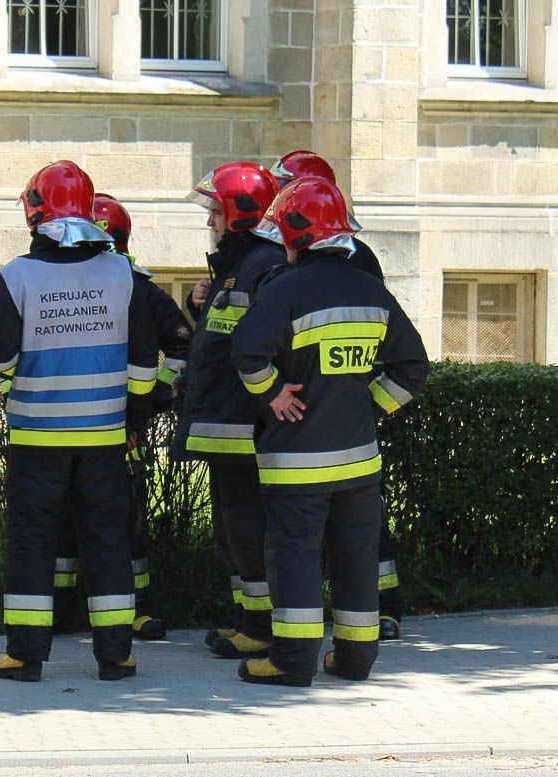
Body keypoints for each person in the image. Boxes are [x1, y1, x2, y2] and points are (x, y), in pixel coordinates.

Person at [230, 177, 429, 686]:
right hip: (359, 461)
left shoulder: (285, 289)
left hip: (297, 462)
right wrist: (368, 408)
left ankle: (292, 662)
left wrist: (272, 392)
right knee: (356, 557)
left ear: (296, 234)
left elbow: (246, 351)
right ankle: (356, 659)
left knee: (294, 556)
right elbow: (413, 368)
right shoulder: (371, 289)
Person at [0, 160, 158, 682]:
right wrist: (131, 413)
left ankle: (25, 656)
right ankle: (116, 654)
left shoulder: (19, 276)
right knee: (107, 540)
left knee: (33, 540)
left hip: (37, 434)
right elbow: (145, 363)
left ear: (35, 213)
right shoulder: (123, 274)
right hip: (104, 435)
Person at [271, 149, 404, 640]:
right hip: (346, 427)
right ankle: (360, 632)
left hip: (328, 424)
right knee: (354, 531)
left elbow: (374, 334)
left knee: (359, 534)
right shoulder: (326, 257)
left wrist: (369, 404)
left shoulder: (350, 260)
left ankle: (384, 609)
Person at [50, 193, 191, 641]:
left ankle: (135, 610)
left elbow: (183, 347)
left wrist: (153, 400)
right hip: (67, 425)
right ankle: (60, 610)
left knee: (125, 523)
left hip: (124, 430)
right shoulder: (58, 282)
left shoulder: (139, 289)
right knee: (62, 523)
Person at [173, 162, 286, 660]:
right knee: (233, 528)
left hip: (245, 427)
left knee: (248, 526)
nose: (209, 223)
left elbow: (261, 341)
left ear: (240, 214)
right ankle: (247, 619)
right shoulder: (242, 263)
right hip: (228, 426)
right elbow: (223, 333)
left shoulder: (265, 263)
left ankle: (260, 626)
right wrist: (203, 305)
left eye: (215, 212)